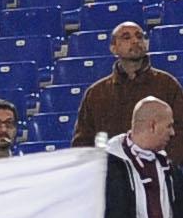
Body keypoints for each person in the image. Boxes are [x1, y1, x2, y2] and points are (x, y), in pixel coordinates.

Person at [75, 18, 183, 146]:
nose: (135, 41)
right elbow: (83, 141)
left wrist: (161, 164)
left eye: (139, 36)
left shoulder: (167, 84)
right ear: (113, 48)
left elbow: (179, 133)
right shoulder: (96, 93)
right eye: (126, 37)